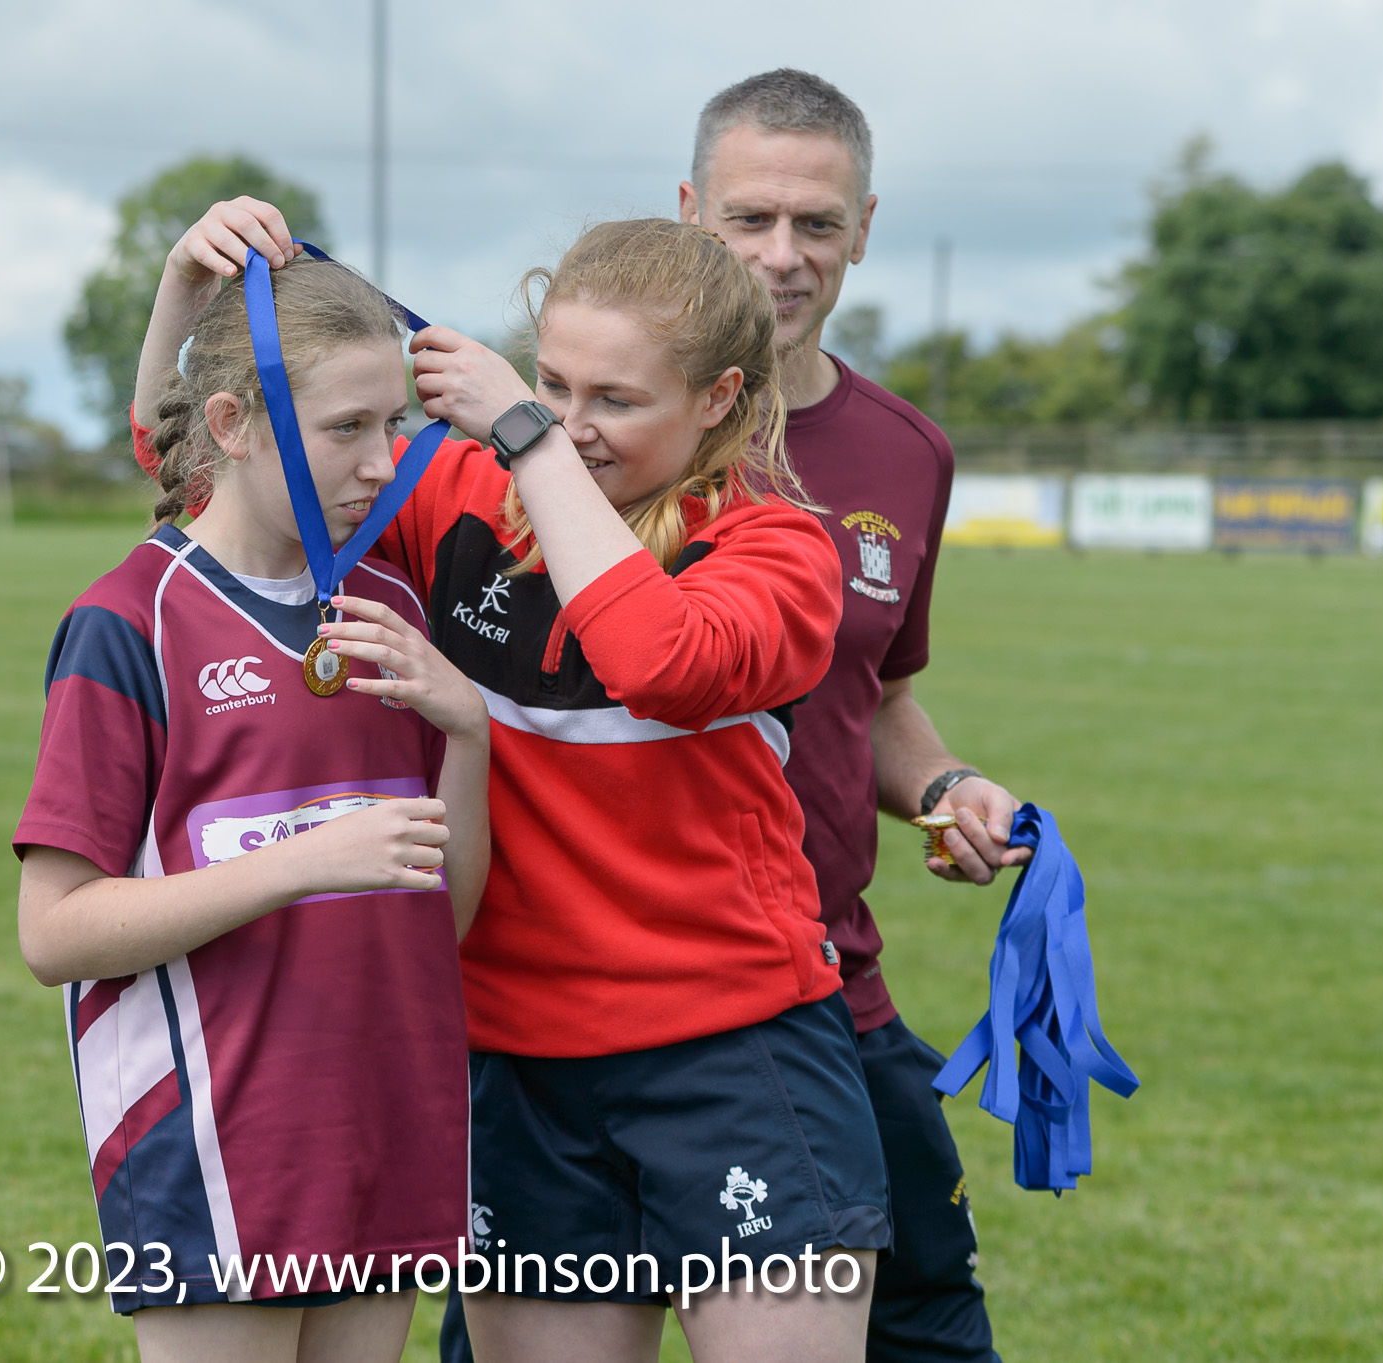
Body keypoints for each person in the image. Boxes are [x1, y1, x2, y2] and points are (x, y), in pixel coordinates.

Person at [140, 205, 893, 1362]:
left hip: (735, 1053)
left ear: (718, 399)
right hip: (512, 1061)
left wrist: (528, 438)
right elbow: (219, 487)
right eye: (552, 383)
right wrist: (179, 298)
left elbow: (658, 660)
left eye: (615, 401)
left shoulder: (774, 547)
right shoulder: (458, 496)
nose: (574, 425)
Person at [14, 210, 492, 1363]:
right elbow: (54, 932)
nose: (382, 461)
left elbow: (445, 917)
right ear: (231, 424)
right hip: (214, 1138)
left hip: (388, 1116)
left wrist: (469, 735)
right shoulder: (130, 621)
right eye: (344, 428)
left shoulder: (392, 612)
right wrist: (305, 861)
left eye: (394, 423)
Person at [677, 70, 1029, 1363]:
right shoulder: (593, 433)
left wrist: (945, 788)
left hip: (824, 981)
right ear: (688, 213)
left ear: (864, 228)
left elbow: (874, 695)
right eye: (750, 217)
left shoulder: (905, 452)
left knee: (929, 1326)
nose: (783, 254)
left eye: (816, 222)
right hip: (597, 1002)